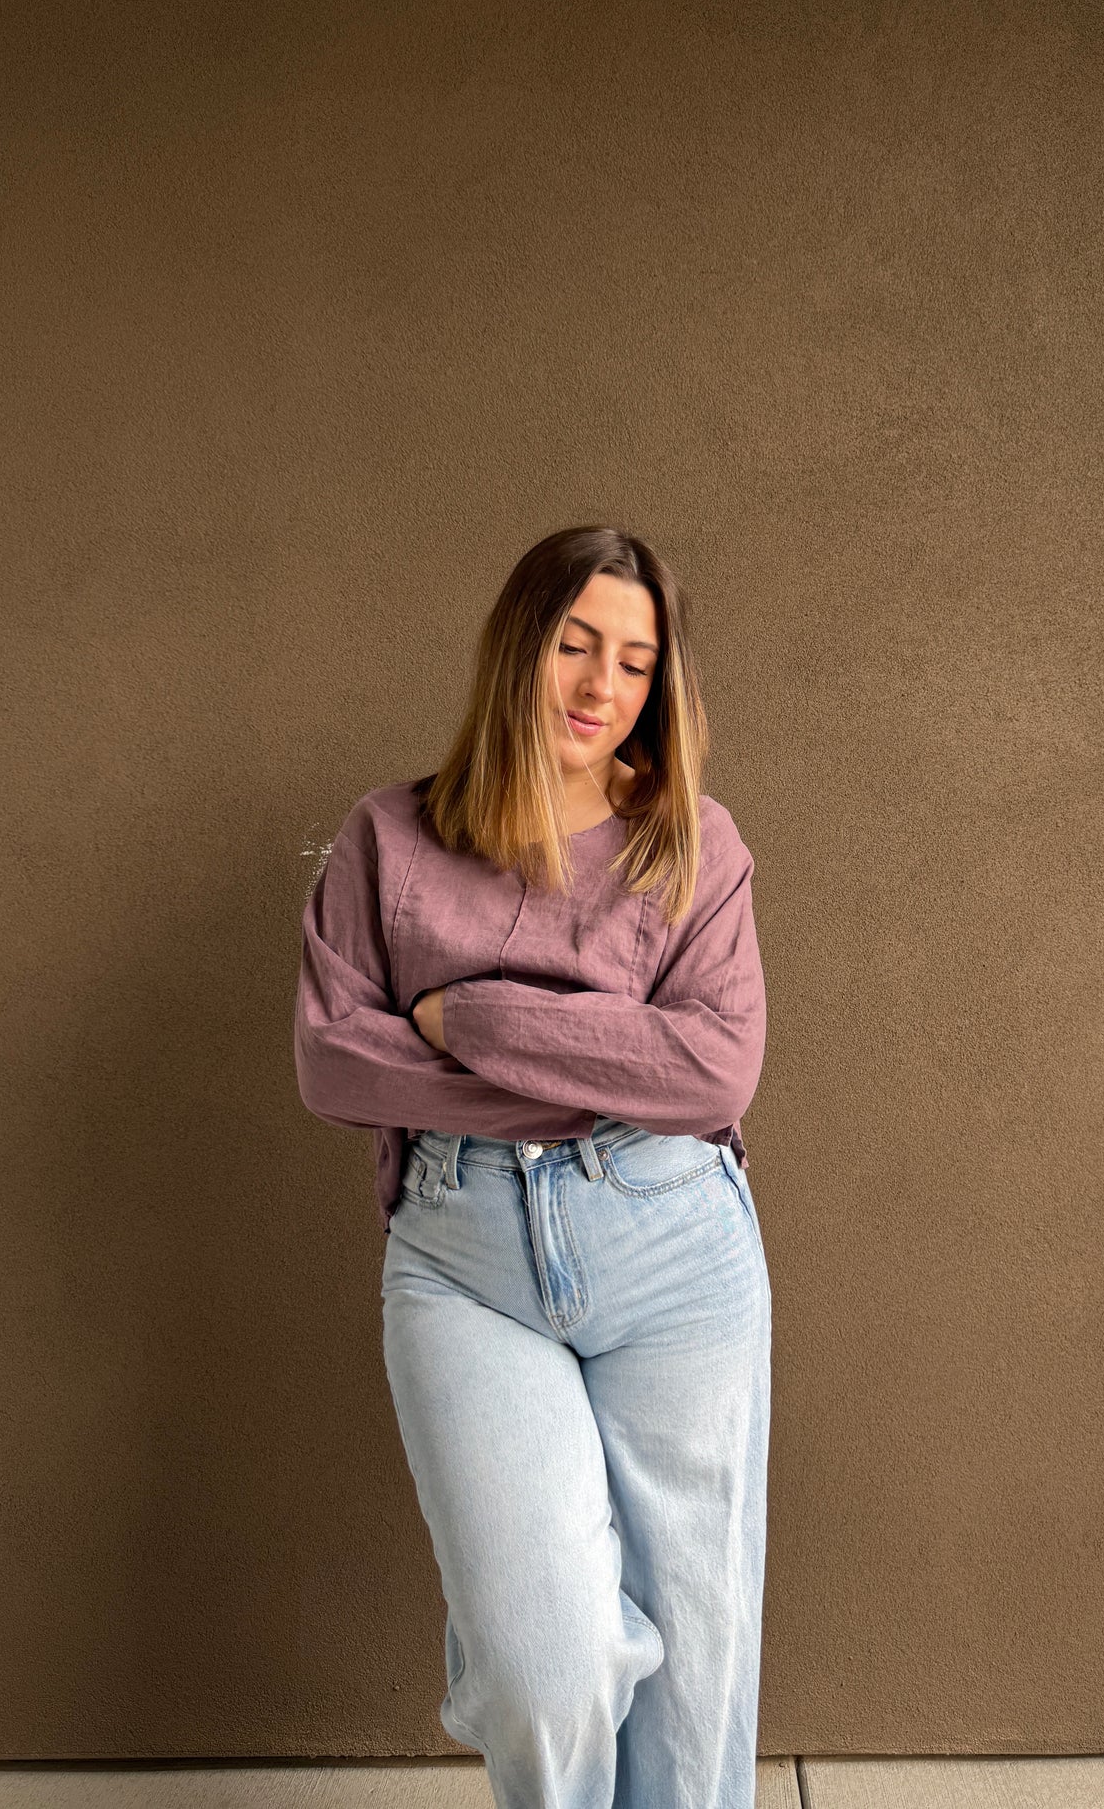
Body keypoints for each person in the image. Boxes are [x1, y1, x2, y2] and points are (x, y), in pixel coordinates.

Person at [293, 525, 772, 1809]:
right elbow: (337, 1065)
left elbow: (715, 1073)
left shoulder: (693, 845)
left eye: (633, 659)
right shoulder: (387, 839)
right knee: (537, 1666)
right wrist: (604, 1057)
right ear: (519, 645)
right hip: (461, 1266)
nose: (600, 683)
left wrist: (471, 1016)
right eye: (574, 643)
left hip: (675, 1250)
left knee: (698, 1668)